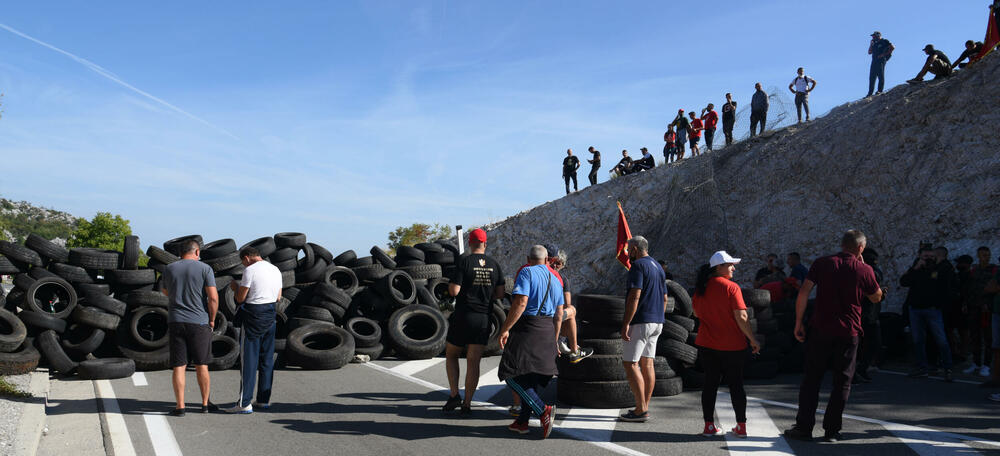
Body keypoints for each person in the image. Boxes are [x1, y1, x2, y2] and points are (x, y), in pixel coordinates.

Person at [785, 231, 884, 443]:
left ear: (842, 245)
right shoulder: (864, 269)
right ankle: (832, 431)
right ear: (860, 248)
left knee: (812, 379)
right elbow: (876, 298)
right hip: (849, 331)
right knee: (842, 382)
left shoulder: (822, 263)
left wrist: (798, 322)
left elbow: (803, 292)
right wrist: (865, 271)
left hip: (820, 328)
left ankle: (803, 428)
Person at [693, 251, 761, 438]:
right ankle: (741, 426)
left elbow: (697, 314)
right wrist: (753, 340)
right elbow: (742, 316)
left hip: (707, 344)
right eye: (730, 264)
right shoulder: (732, 288)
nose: (734, 267)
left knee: (710, 384)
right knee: (736, 385)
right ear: (718, 267)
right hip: (733, 346)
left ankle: (709, 426)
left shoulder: (701, 288)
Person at [498, 245, 561, 438]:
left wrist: (505, 328)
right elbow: (559, 314)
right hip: (548, 329)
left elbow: (521, 302)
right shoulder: (556, 278)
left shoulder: (526, 272)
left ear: (528, 258)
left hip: (528, 328)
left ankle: (543, 410)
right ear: (547, 259)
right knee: (530, 377)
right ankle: (522, 422)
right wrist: (555, 340)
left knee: (510, 373)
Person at [443, 228, 505, 414]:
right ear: (485, 244)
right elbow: (500, 294)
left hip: (463, 316)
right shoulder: (495, 264)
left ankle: (454, 395)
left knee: (452, 354)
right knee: (473, 361)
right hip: (483, 318)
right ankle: (467, 404)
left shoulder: (464, 261)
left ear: (470, 243)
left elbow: (454, 291)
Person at [161, 240, 220, 416]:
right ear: (197, 252)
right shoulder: (204, 269)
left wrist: (178, 296)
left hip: (176, 321)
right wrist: (212, 319)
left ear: (181, 253)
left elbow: (165, 291)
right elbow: (213, 298)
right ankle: (205, 404)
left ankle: (180, 406)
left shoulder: (169, 268)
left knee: (179, 365)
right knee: (202, 364)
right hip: (199, 322)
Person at [225, 246, 282, 414]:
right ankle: (263, 400)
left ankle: (244, 403)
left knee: (248, 360)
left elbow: (241, 298)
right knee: (266, 359)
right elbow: (278, 296)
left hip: (253, 315)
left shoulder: (250, 270)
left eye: (243, 262)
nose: (244, 265)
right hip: (271, 314)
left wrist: (235, 288)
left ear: (247, 258)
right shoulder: (275, 270)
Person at [618, 236, 666, 423]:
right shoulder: (657, 267)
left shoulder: (637, 266)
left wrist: (626, 323)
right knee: (647, 364)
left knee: (630, 364)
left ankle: (641, 410)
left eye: (629, 249)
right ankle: (644, 405)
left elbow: (634, 296)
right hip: (657, 321)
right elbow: (663, 297)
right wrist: (659, 318)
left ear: (636, 249)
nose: (628, 253)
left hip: (641, 321)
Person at [900, 247, 955, 380]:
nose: (929, 259)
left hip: (932, 309)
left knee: (941, 339)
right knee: (918, 340)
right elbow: (904, 282)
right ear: (919, 257)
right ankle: (922, 367)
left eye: (931, 257)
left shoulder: (939, 269)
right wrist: (916, 268)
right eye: (925, 257)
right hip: (915, 309)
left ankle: (948, 368)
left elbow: (947, 286)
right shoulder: (916, 269)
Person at [548, 247, 594, 364]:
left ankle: (563, 341)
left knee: (568, 309)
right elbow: (568, 306)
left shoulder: (563, 279)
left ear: (562, 265)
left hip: (553, 315)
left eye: (559, 264)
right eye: (554, 262)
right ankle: (573, 350)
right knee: (572, 310)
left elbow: (566, 303)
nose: (555, 266)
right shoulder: (557, 277)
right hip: (550, 315)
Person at [965, 247, 998, 377]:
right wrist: (966, 303)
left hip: (987, 309)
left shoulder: (995, 270)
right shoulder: (974, 270)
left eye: (988, 254)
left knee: (988, 338)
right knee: (974, 336)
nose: (986, 257)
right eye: (983, 255)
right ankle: (976, 362)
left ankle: (987, 365)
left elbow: (994, 289)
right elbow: (969, 288)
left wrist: (988, 304)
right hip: (974, 307)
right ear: (978, 256)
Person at [855, 248, 886, 383]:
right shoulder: (863, 272)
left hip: (870, 313)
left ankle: (861, 369)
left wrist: (880, 295)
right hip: (863, 313)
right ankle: (855, 371)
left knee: (872, 343)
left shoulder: (870, 271)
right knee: (860, 344)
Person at [867, 31, 895, 97]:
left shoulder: (884, 41)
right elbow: (869, 52)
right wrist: (871, 44)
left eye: (874, 36)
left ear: (878, 35)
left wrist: (883, 54)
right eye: (872, 36)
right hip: (874, 61)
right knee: (872, 77)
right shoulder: (874, 43)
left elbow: (892, 47)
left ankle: (880, 90)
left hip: (881, 60)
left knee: (880, 75)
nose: (873, 37)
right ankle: (870, 93)